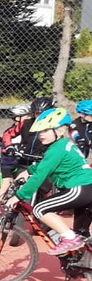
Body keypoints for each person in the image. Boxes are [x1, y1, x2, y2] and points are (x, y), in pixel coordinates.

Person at [6, 108, 92, 255]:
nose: (41, 135)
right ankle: (79, 262)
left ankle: (70, 239)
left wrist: (19, 196)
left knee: (40, 209)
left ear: (59, 131)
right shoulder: (63, 144)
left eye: (46, 130)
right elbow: (46, 164)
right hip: (87, 187)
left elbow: (40, 175)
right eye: (40, 131)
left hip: (79, 187)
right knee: (81, 235)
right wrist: (29, 171)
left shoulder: (57, 149)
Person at [0, 103, 34, 215]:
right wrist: (10, 147)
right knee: (6, 185)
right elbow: (7, 139)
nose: (30, 118)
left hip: (19, 161)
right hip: (9, 162)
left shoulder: (27, 128)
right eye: (27, 116)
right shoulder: (13, 130)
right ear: (18, 117)